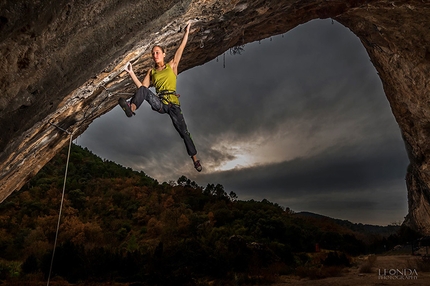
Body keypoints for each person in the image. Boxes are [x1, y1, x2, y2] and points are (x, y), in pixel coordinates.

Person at [118, 22, 202, 172]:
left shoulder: (172, 66)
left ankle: (195, 158)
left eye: (157, 52)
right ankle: (131, 108)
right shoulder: (152, 72)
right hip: (161, 103)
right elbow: (142, 88)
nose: (155, 55)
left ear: (164, 54)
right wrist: (131, 72)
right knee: (144, 90)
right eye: (153, 53)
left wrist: (187, 32)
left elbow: (181, 49)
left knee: (184, 132)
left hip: (174, 105)